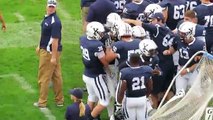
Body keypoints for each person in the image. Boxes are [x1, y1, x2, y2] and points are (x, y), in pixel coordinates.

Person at [34, 0, 64, 108]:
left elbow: (55, 40)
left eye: (52, 7)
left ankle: (42, 102)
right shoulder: (48, 18)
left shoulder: (55, 22)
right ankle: (59, 100)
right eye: (49, 6)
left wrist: (53, 57)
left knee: (44, 77)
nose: (51, 8)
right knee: (56, 76)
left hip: (49, 52)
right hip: (48, 50)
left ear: (55, 7)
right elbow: (44, 33)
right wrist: (39, 45)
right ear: (46, 6)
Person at [163, 21, 205, 94]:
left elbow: (201, 62)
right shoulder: (178, 39)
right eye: (180, 32)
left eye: (183, 33)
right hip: (181, 68)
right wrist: (169, 51)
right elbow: (175, 47)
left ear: (190, 33)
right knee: (179, 93)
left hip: (194, 71)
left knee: (196, 94)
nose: (180, 35)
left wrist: (188, 70)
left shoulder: (199, 44)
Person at [80, 21, 110, 119]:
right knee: (104, 101)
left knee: (91, 96)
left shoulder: (83, 39)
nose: (102, 34)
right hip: (95, 76)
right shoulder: (96, 45)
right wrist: (108, 70)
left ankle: (85, 116)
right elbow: (103, 60)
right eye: (100, 32)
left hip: (87, 73)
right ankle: (90, 117)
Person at [117, 53, 153, 120]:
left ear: (129, 61)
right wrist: (146, 95)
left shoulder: (124, 72)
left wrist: (119, 101)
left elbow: (122, 89)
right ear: (139, 60)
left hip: (130, 99)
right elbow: (150, 86)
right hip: (142, 99)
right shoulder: (147, 70)